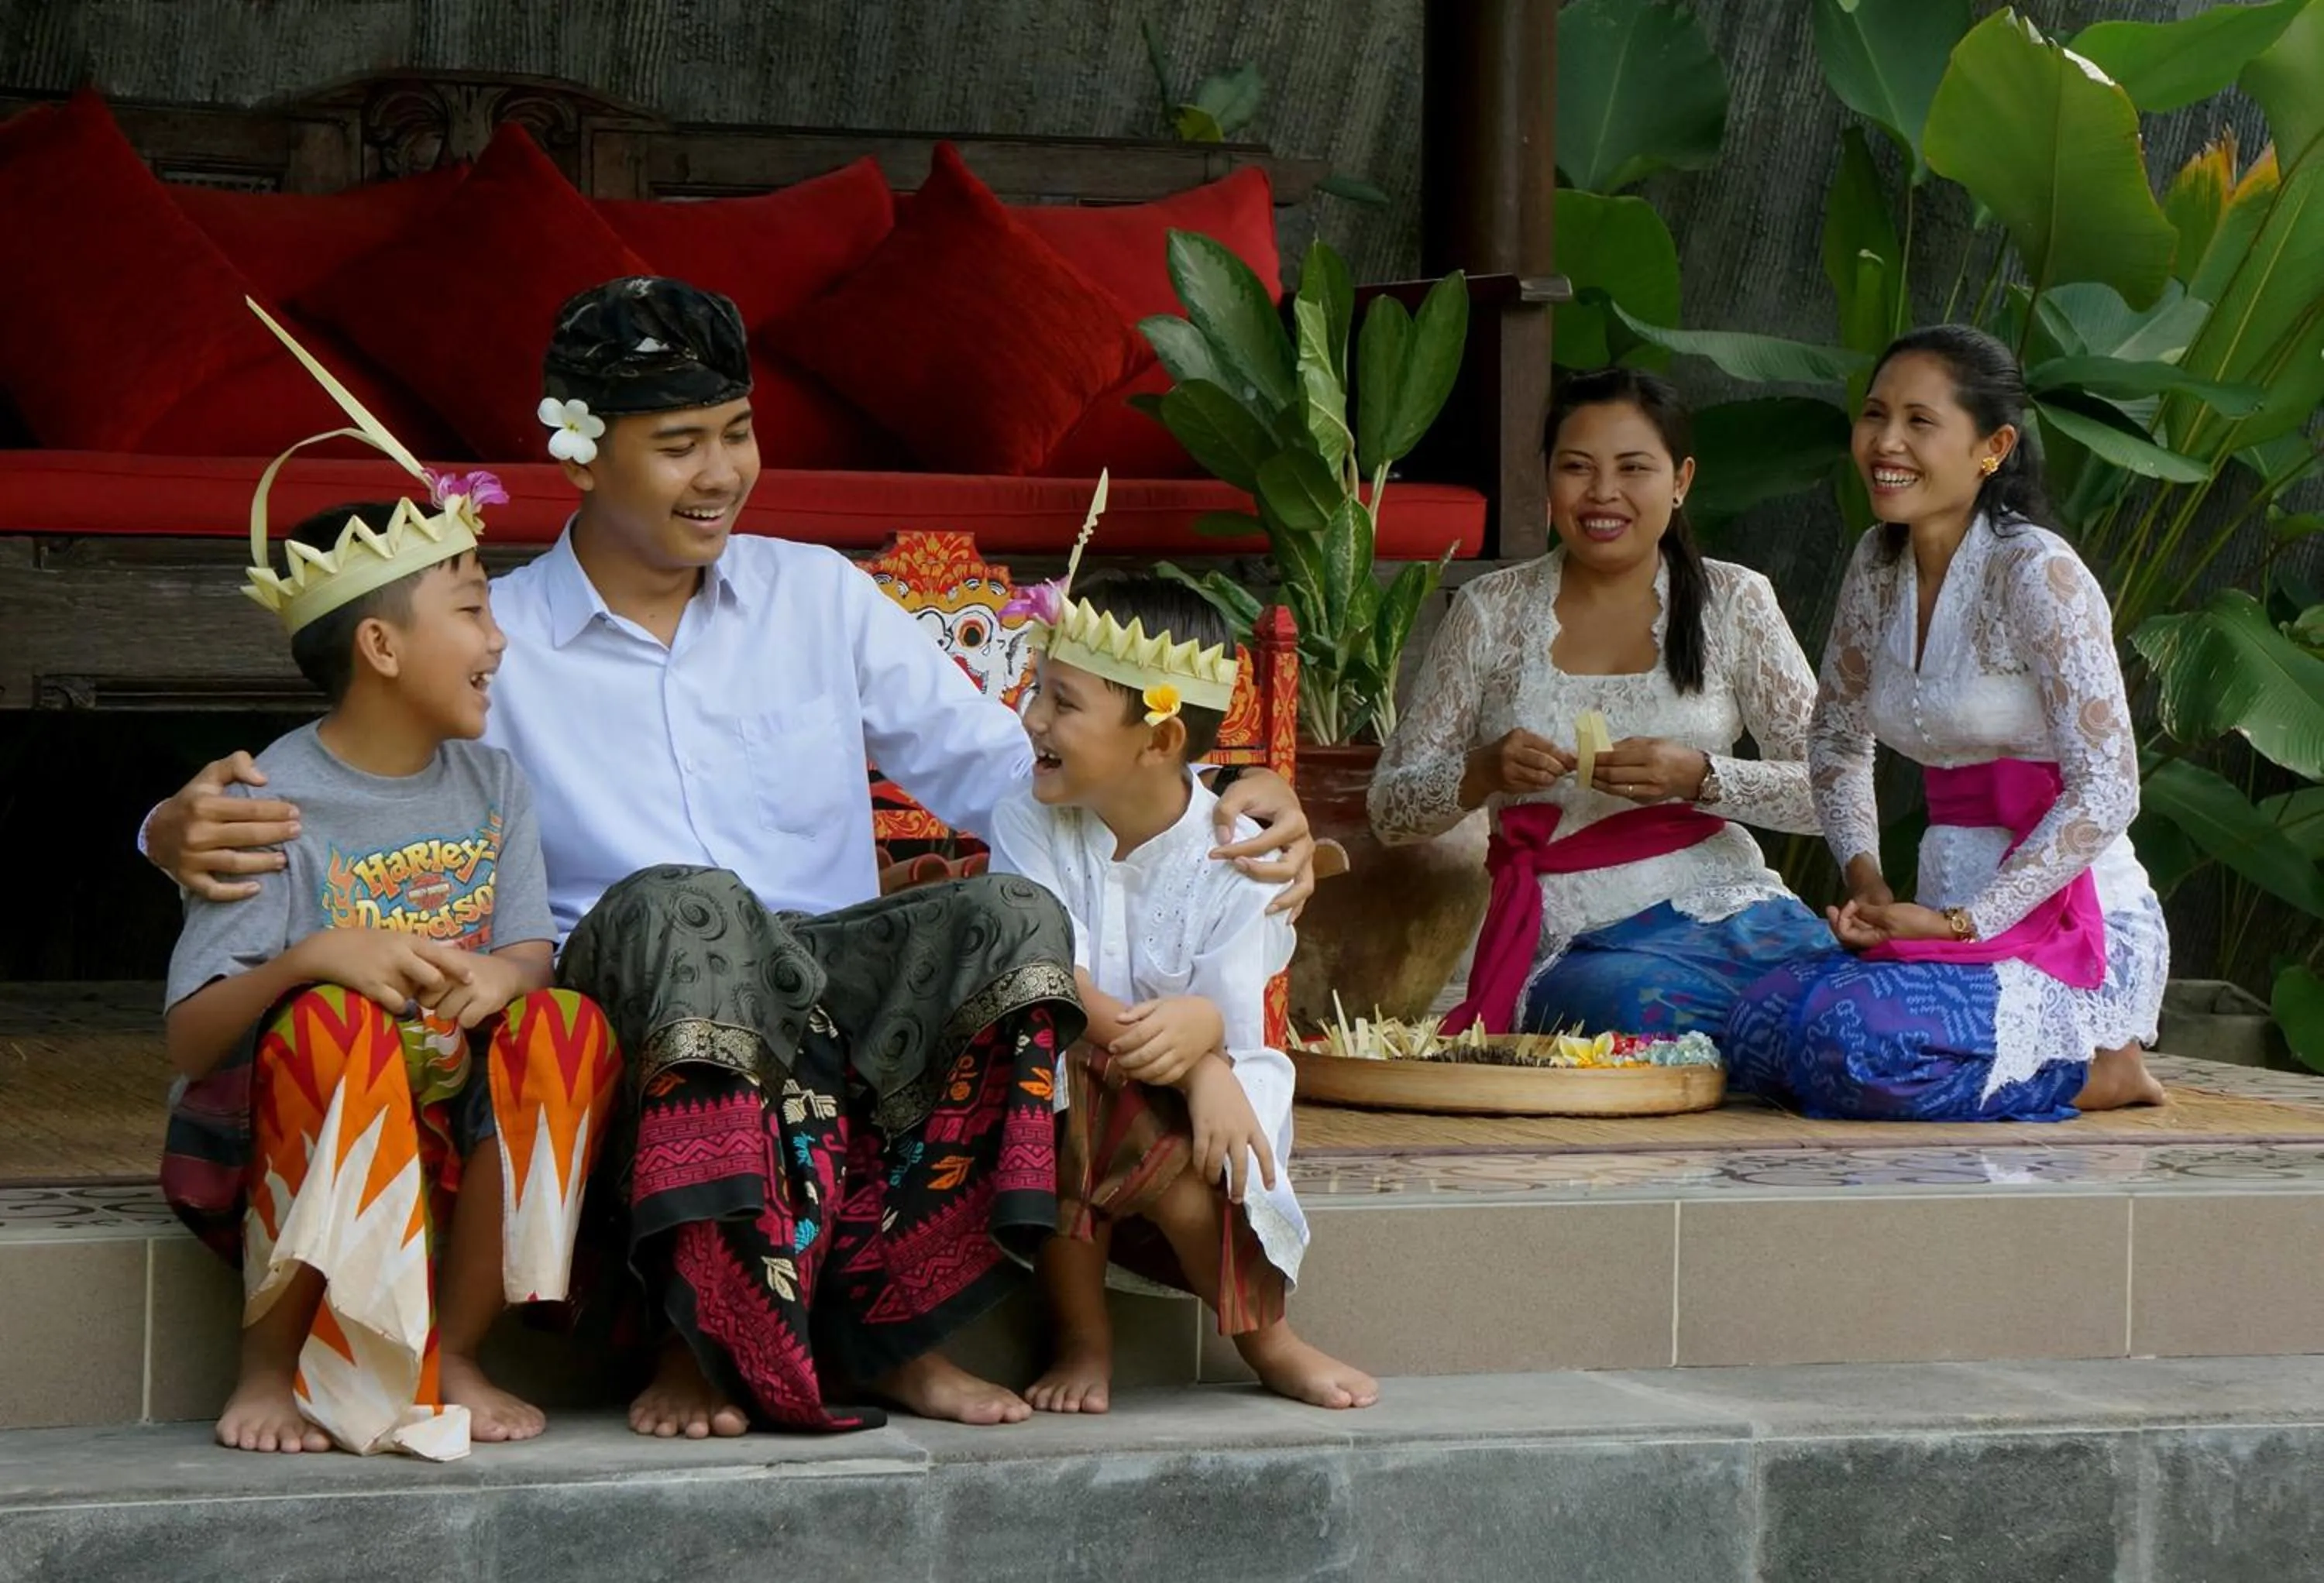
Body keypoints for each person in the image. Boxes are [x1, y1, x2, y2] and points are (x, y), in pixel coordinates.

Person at [143, 276, 1321, 1437]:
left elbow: (1011, 771)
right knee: (689, 907)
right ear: (585, 457)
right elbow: (356, 766)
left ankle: (894, 1329)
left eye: (738, 433)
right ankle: (701, 1333)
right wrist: (162, 828)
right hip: (639, 987)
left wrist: (1220, 790)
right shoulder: (499, 645)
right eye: (680, 444)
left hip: (826, 980)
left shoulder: (815, 593)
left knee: (1008, 918)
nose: (722, 474)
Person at [162, 324, 620, 1461]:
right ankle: (270, 1361)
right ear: (378, 643)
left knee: (565, 1023)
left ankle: (454, 1343)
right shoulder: (271, 799)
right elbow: (190, 1034)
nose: (499, 639)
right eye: (471, 609)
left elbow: (528, 949)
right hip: (299, 1127)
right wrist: (319, 957)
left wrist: (494, 977)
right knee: (334, 1027)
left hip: (450, 1113)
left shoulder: (496, 782)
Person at [1724, 325, 2168, 1120]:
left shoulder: (2042, 575)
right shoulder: (1876, 560)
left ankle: (2102, 1067)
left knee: (1852, 1042)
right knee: (1755, 1029)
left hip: (2066, 918)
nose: (1885, 442)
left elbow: (2108, 787)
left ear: (1992, 447)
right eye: (1874, 415)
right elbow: (1835, 738)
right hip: (1936, 912)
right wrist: (1869, 883)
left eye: (1919, 422)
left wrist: (1968, 921)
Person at [985, 568, 1377, 1413]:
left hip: (1207, 1104)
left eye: (1062, 701)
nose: (1033, 719)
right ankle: (1084, 1338)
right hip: (1068, 1075)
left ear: (1158, 740)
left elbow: (1233, 1029)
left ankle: (1267, 1340)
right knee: (1069, 1089)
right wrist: (1195, 1062)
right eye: (1036, 692)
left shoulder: (1242, 850)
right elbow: (1052, 975)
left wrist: (1206, 1061)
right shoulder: (1028, 816)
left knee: (1169, 1152)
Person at [1369, 367, 1830, 1040]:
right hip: (1579, 939)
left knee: (1839, 988)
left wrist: (1700, 776)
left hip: (1728, 908)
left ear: (1681, 481)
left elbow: (1832, 795)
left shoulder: (1736, 601)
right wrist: (1484, 771)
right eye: (1576, 467)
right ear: (1548, 480)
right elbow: (1388, 812)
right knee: (1637, 1007)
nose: (1603, 493)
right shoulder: (1491, 611)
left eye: (1633, 468)